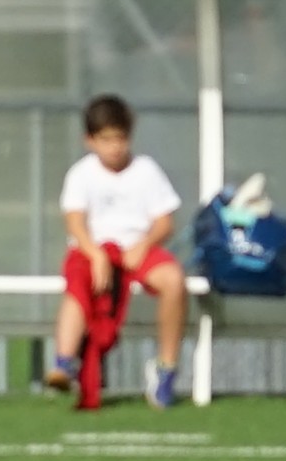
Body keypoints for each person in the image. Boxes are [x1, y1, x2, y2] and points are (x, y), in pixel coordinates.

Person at [53, 95, 186, 410]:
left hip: (137, 249)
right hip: (92, 250)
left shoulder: (146, 170)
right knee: (77, 287)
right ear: (89, 141)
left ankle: (166, 368)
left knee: (174, 281)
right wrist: (96, 255)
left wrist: (144, 245)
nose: (114, 147)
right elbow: (75, 222)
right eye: (106, 140)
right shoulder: (81, 174)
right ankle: (64, 362)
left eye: (120, 138)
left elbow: (165, 222)